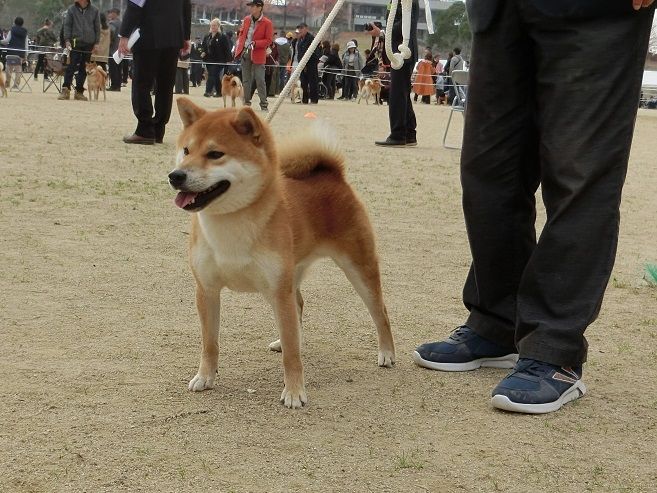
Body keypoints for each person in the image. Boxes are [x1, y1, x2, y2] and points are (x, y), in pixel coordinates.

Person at [414, 0, 656, 414]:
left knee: (579, 171)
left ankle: (554, 345)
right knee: (490, 167)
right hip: (501, 9)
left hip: (599, 15)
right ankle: (498, 320)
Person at [119, 0, 191, 144]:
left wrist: (124, 35)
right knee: (165, 85)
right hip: (173, 36)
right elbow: (186, 6)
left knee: (142, 84)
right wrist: (186, 36)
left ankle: (145, 129)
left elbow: (135, 6)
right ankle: (159, 129)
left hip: (148, 34)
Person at [373, 0, 419, 146]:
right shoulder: (395, 2)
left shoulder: (407, 2)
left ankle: (398, 134)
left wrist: (382, 33)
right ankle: (409, 133)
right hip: (398, 50)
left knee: (397, 93)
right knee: (402, 92)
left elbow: (407, 25)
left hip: (403, 51)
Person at [234, 0, 273, 111]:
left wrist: (256, 43)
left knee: (260, 79)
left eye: (253, 6)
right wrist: (239, 49)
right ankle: (246, 103)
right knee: (246, 80)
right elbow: (241, 35)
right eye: (250, 6)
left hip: (258, 53)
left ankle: (264, 104)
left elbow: (269, 40)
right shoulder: (246, 20)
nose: (251, 8)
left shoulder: (267, 23)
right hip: (245, 52)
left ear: (260, 7)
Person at [58, 1, 100, 101]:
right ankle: (65, 89)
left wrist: (97, 43)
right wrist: (67, 40)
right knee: (71, 66)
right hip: (75, 42)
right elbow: (67, 26)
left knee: (84, 68)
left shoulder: (95, 10)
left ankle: (79, 91)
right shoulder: (71, 9)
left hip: (89, 43)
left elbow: (97, 27)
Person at [201, 19, 231, 98]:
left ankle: (208, 91)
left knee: (212, 74)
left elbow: (227, 49)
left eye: (214, 25)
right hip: (209, 60)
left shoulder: (222, 36)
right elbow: (204, 46)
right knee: (215, 76)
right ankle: (219, 92)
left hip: (219, 60)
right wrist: (203, 52)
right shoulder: (207, 36)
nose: (213, 27)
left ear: (218, 26)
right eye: (212, 25)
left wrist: (228, 60)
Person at [295, 23, 320, 104]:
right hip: (302, 64)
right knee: (303, 82)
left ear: (306, 28)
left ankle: (314, 99)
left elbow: (313, 52)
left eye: (302, 28)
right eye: (299, 28)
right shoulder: (300, 39)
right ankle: (304, 99)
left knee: (313, 82)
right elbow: (299, 53)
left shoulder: (311, 38)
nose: (300, 30)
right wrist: (301, 63)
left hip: (311, 63)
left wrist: (306, 63)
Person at [107, 8, 122, 91]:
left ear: (115, 14)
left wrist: (108, 43)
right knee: (119, 68)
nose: (109, 15)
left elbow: (110, 35)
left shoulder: (112, 23)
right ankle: (118, 85)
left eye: (111, 13)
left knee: (113, 68)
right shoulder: (121, 23)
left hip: (112, 49)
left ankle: (114, 85)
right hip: (120, 49)